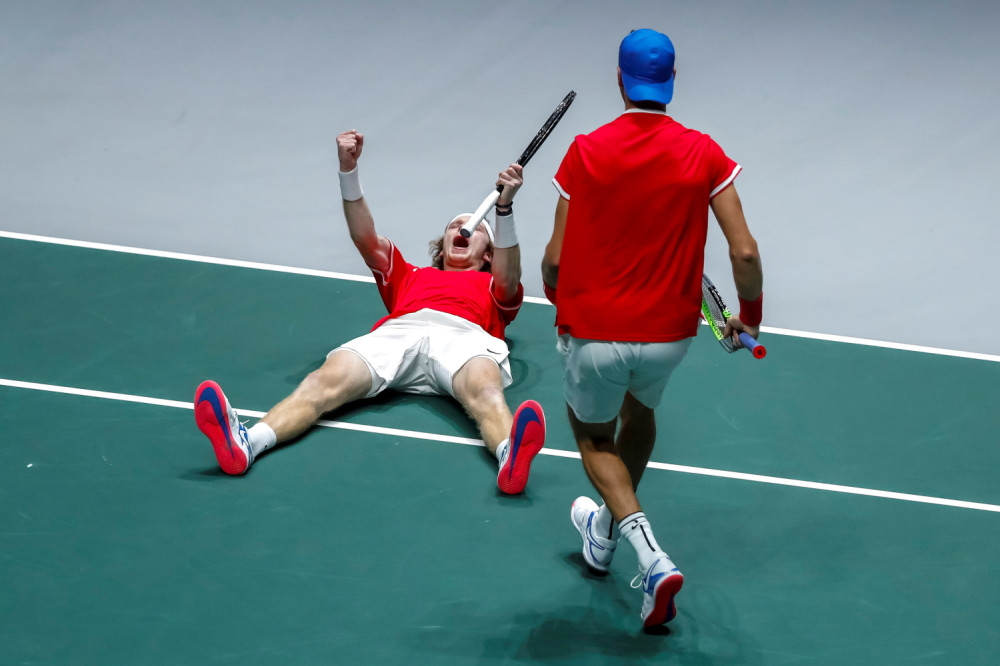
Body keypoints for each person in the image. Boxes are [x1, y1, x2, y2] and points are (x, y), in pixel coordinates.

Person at [541, 29, 764, 629]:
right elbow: (743, 253)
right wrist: (753, 316)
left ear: (620, 80)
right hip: (670, 337)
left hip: (595, 333)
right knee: (640, 414)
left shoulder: (585, 151)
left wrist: (560, 304)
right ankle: (605, 536)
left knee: (592, 437)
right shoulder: (704, 152)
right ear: (670, 84)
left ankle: (652, 558)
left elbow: (556, 261)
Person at [194, 129, 546, 495]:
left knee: (485, 392)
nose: (461, 228)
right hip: (397, 334)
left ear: (488, 253)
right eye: (453, 226)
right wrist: (348, 171)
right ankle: (248, 443)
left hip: (466, 336)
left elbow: (510, 275)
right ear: (442, 244)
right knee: (321, 383)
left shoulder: (493, 287)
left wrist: (503, 210)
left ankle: (509, 455)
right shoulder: (409, 276)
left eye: (472, 228)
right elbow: (365, 239)